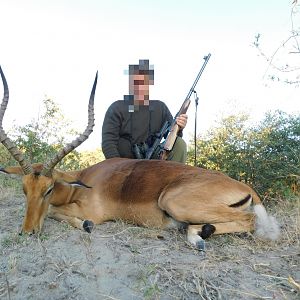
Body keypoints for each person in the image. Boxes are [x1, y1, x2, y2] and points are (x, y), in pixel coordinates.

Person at [102, 59, 188, 163]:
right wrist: (117, 167)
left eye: (143, 82)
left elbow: (173, 139)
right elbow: (108, 142)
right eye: (136, 81)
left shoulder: (160, 107)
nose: (139, 86)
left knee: (180, 144)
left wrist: (180, 127)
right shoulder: (116, 107)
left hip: (154, 162)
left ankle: (173, 179)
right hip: (124, 165)